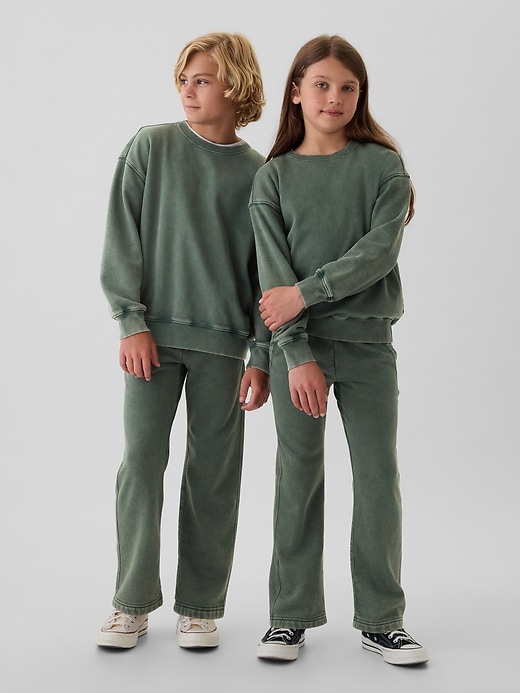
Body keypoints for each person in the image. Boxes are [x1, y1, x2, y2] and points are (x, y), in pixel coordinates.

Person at [249, 34, 428, 665]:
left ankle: (383, 619)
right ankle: (288, 617)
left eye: (348, 87)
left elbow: (378, 253)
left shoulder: (385, 167)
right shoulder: (272, 177)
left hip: (369, 348)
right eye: (321, 84)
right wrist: (291, 354)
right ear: (297, 92)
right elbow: (269, 276)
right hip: (297, 352)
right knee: (297, 477)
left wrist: (306, 292)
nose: (335, 97)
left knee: (378, 476)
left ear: (361, 95)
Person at [96, 31, 270, 650]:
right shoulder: (152, 146)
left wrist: (262, 356)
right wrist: (131, 321)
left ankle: (200, 607)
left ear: (235, 86)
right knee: (141, 464)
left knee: (214, 474)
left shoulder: (259, 174)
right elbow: (122, 236)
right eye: (183, 80)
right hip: (153, 340)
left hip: (225, 346)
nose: (188, 91)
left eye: (203, 79)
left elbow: (267, 274)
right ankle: (131, 603)